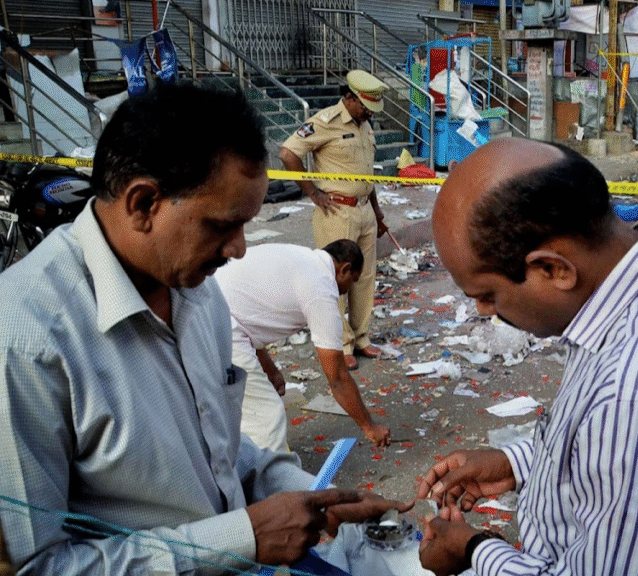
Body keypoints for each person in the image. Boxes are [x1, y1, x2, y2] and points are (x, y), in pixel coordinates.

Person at [0, 83, 410, 574]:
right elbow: (37, 565)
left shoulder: (199, 294)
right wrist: (240, 539)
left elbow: (217, 451)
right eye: (221, 226)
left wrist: (309, 495)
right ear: (143, 204)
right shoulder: (25, 340)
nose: (239, 249)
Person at [415, 138, 638, 576]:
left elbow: (627, 434)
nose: (483, 311)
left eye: (487, 294)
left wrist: (473, 549)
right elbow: (602, 450)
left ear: (554, 269)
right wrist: (516, 464)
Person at [214, 240, 391, 450]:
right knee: (267, 417)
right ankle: (266, 469)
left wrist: (269, 368)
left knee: (237, 405)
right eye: (352, 281)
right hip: (219, 323)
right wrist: (370, 427)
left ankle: (236, 456)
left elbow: (248, 312)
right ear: (344, 269)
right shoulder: (321, 289)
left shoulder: (303, 258)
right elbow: (338, 379)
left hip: (210, 303)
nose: (348, 290)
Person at [279, 69, 389, 372]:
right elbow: (288, 153)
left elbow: (366, 175)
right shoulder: (325, 121)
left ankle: (361, 337)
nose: (369, 112)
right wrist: (313, 193)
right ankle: (341, 344)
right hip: (337, 212)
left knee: (364, 277)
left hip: (365, 210)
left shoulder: (365, 126)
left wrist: (377, 211)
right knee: (334, 278)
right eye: (365, 106)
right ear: (350, 98)